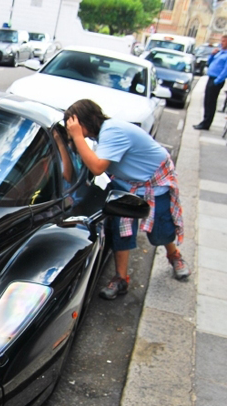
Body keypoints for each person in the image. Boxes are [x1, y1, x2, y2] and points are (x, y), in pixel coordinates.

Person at [64, 99, 189, 300]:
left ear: (86, 121)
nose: (73, 131)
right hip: (128, 184)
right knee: (121, 230)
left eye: (75, 126)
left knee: (160, 233)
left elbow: (97, 167)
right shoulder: (99, 137)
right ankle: (121, 279)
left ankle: (174, 255)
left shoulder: (112, 131)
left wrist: (78, 136)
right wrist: (71, 139)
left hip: (154, 183)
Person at [193, 34, 227, 131]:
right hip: (211, 78)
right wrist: (212, 55)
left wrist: (217, 81)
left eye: (224, 41)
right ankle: (204, 121)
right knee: (207, 101)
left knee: (211, 102)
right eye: (222, 40)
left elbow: (225, 71)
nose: (222, 42)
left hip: (216, 80)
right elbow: (210, 63)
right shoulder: (220, 52)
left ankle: (206, 123)